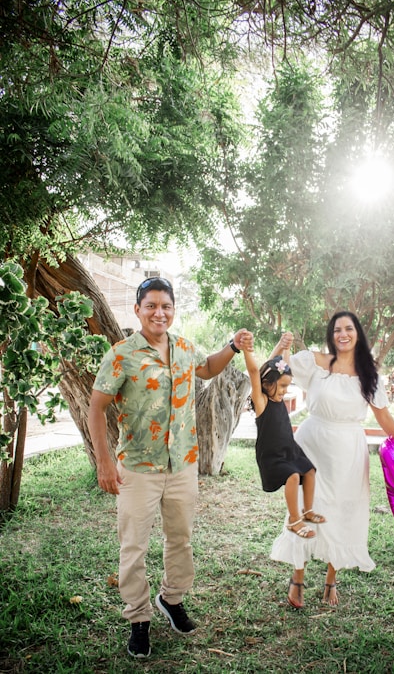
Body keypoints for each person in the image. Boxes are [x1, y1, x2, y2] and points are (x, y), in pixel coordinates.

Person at [88, 276, 253, 658]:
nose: (159, 312)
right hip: (138, 469)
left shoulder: (183, 347)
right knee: (134, 546)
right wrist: (105, 462)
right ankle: (139, 619)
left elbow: (208, 368)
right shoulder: (121, 354)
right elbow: (96, 407)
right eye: (151, 306)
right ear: (138, 310)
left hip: (182, 465)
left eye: (166, 306)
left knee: (180, 539)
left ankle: (172, 600)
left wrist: (231, 346)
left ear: (173, 310)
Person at [270, 311, 394, 609]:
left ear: (358, 333)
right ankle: (297, 578)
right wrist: (281, 345)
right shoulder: (315, 362)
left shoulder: (369, 373)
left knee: (342, 510)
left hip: (348, 450)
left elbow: (382, 414)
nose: (342, 334)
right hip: (312, 443)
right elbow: (274, 370)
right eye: (337, 330)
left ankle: (331, 580)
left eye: (348, 328)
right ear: (331, 335)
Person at [243, 345, 326, 572]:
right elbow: (253, 372)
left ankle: (307, 511)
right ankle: (294, 519)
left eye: (287, 386)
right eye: (281, 386)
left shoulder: (278, 399)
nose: (284, 391)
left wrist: (284, 346)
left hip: (290, 450)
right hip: (272, 456)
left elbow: (282, 363)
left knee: (309, 471)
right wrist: (247, 350)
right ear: (267, 384)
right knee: (291, 476)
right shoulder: (262, 403)